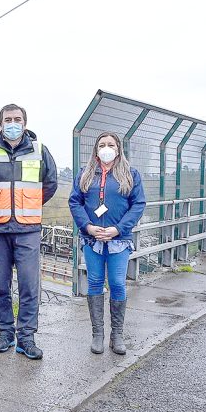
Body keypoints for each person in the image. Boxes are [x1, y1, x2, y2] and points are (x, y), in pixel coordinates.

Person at [0, 104, 57, 360]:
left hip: (27, 229)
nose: (12, 123)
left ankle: (27, 337)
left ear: (25, 123)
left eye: (17, 119)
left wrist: (27, 205)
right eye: (7, 119)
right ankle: (5, 333)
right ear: (0, 124)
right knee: (0, 285)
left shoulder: (40, 151)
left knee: (29, 285)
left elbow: (50, 183)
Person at [68, 132, 146, 355]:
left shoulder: (130, 174)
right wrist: (88, 227)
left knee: (117, 283)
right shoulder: (85, 175)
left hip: (118, 240)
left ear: (118, 149)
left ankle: (117, 334)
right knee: (94, 282)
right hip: (92, 239)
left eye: (110, 144)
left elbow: (138, 204)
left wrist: (119, 229)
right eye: (102, 145)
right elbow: (75, 202)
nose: (106, 148)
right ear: (96, 149)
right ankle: (97, 335)